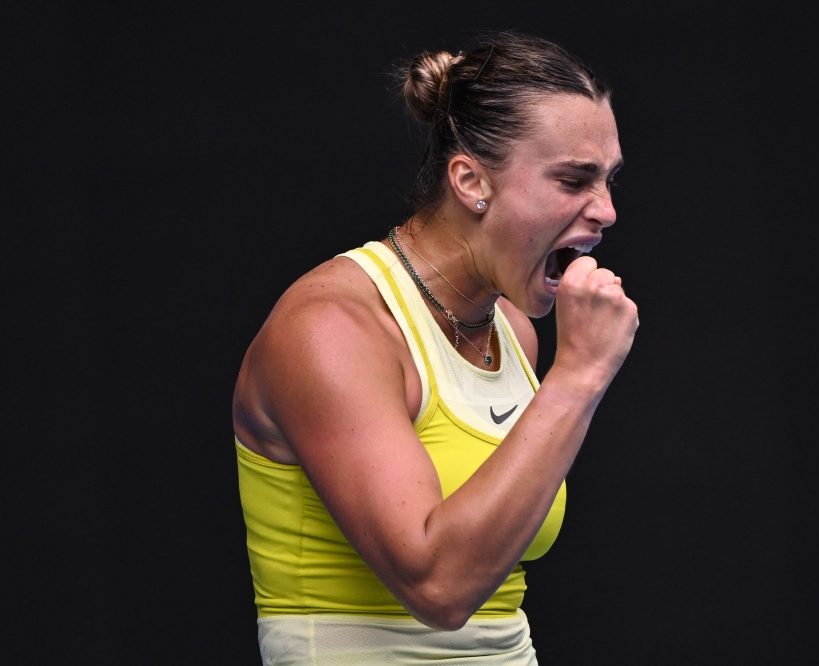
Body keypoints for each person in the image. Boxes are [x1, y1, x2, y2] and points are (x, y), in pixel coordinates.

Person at [233, 31, 638, 665]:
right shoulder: (331, 327)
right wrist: (580, 375)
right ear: (471, 179)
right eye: (573, 180)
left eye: (610, 181)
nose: (607, 211)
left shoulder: (514, 330)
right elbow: (439, 586)